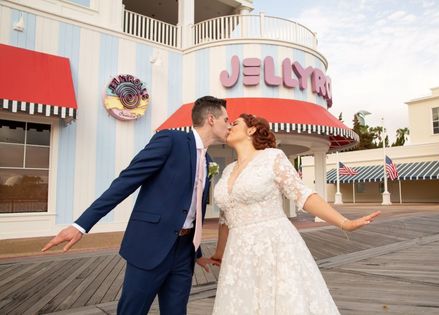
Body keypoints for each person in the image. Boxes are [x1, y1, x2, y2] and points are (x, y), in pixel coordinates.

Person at [42, 96, 229, 315]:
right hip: (150, 246)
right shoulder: (171, 140)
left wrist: (196, 253)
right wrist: (81, 225)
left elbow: (192, 209)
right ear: (211, 119)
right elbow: (126, 182)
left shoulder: (208, 161)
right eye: (226, 119)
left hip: (184, 252)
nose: (229, 124)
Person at [209, 114, 380, 315]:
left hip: (273, 247)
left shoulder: (272, 157)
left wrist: (344, 223)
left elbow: (303, 195)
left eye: (235, 123)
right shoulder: (228, 170)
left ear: (251, 130)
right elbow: (225, 217)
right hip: (237, 254)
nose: (229, 126)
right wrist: (219, 254)